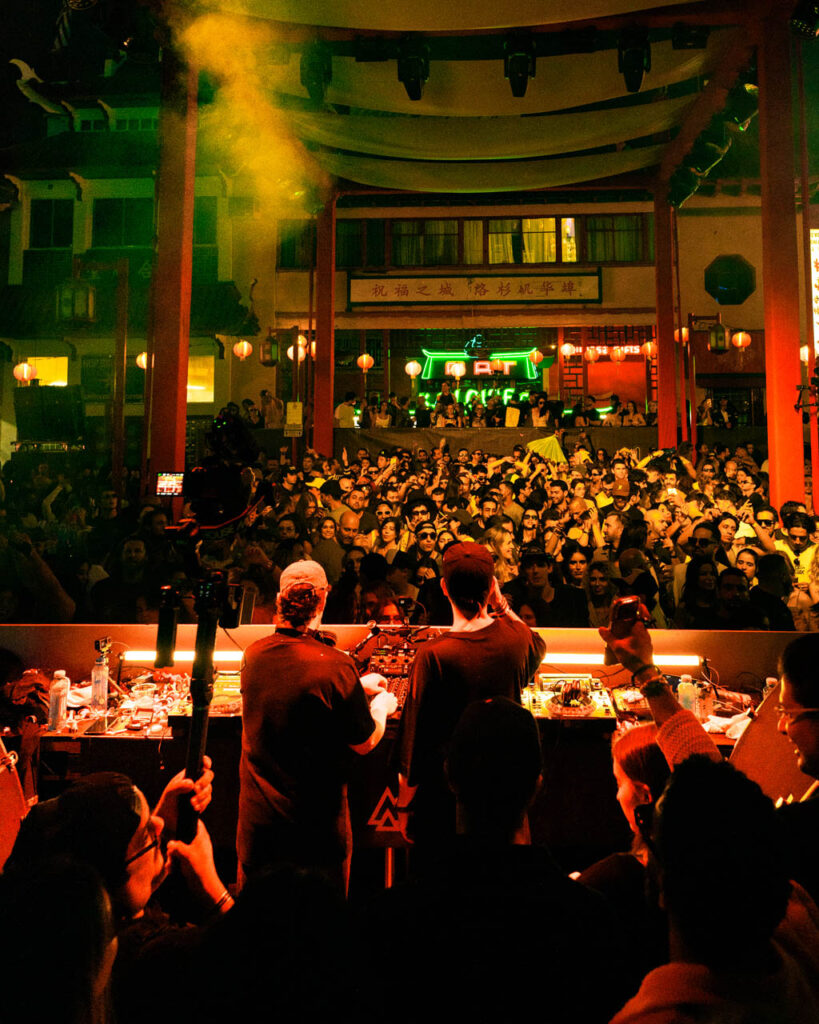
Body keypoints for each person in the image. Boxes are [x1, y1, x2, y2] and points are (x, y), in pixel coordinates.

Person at [238, 560, 397, 891]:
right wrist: (380, 707)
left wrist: (354, 686)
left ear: (280, 599)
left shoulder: (253, 655)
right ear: (324, 598)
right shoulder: (335, 665)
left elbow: (295, 691)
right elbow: (365, 742)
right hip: (316, 836)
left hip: (261, 830)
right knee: (320, 919)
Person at [396, 541, 546, 846]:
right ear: (492, 587)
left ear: (444, 587)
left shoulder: (434, 655)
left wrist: (404, 805)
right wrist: (501, 606)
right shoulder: (516, 640)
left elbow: (414, 742)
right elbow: (537, 643)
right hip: (506, 791)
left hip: (448, 798)